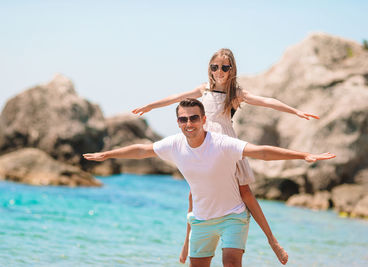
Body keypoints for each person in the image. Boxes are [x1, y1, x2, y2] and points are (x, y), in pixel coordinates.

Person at [84, 98, 334, 267]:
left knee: (231, 264)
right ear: (178, 122)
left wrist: (303, 155)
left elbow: (262, 152)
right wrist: (108, 154)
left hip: (233, 217)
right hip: (202, 221)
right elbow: (141, 150)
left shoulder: (222, 144)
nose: (189, 124)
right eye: (183, 119)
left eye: (194, 118)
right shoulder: (174, 145)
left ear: (204, 120)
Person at [132, 48, 319, 264]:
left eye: (224, 67)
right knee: (195, 194)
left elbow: (266, 101)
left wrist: (295, 111)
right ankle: (187, 243)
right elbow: (177, 97)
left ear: (232, 70)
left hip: (225, 145)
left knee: (245, 191)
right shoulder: (202, 89)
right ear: (209, 69)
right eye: (214, 67)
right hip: (203, 143)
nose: (219, 71)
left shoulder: (235, 94)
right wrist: (151, 106)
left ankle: (272, 241)